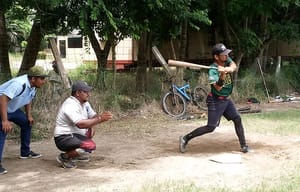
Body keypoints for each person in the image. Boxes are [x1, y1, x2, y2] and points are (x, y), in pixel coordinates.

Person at [179, 43, 250, 153]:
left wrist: (227, 69)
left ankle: (244, 146)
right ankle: (185, 138)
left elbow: (234, 66)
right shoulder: (212, 70)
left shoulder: (225, 60)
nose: (226, 56)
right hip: (215, 100)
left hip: (226, 99)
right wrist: (222, 75)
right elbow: (218, 87)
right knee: (211, 127)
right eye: (223, 54)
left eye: (227, 54)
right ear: (216, 57)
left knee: (237, 118)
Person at [0, 66, 49, 175]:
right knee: (3, 130)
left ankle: (25, 152)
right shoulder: (19, 84)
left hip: (11, 109)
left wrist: (29, 115)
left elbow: (28, 99)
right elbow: (2, 99)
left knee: (27, 123)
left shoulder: (33, 86)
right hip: (1, 107)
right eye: (42, 78)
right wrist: (4, 121)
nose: (44, 81)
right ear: (33, 79)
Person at [54, 81, 113, 169]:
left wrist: (97, 120)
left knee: (90, 131)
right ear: (78, 93)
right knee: (90, 146)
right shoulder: (70, 104)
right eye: (86, 92)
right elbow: (80, 124)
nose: (88, 94)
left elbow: (93, 116)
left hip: (73, 134)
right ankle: (64, 157)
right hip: (63, 137)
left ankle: (75, 154)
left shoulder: (85, 103)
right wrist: (100, 119)